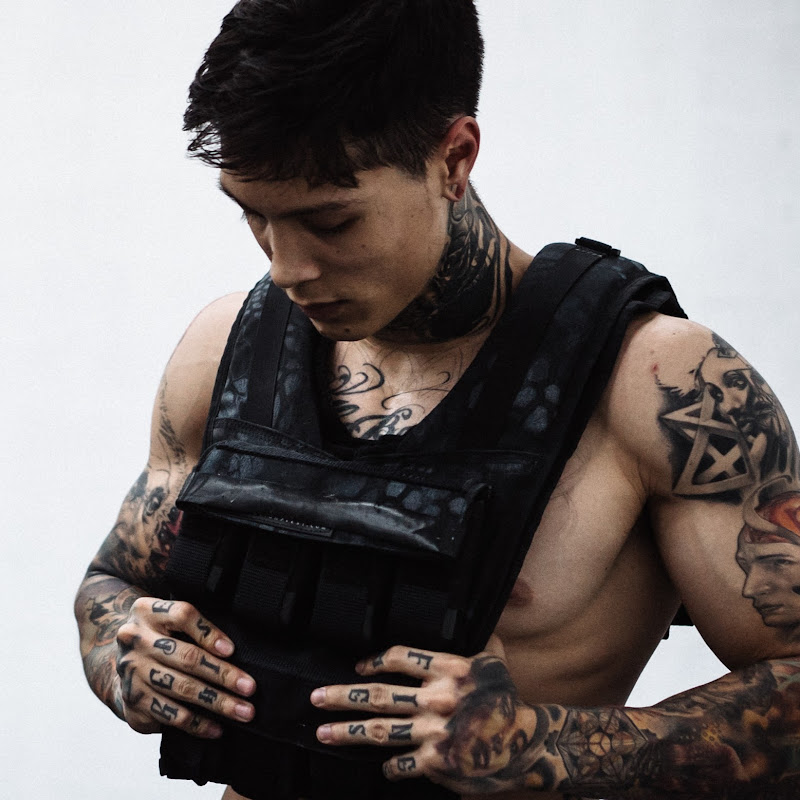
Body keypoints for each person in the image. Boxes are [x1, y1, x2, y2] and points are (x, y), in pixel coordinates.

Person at [73, 1, 800, 798]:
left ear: (455, 158)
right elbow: (110, 583)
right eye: (254, 216)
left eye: (330, 221)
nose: (286, 268)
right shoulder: (223, 352)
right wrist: (121, 647)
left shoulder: (660, 387)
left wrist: (546, 746)